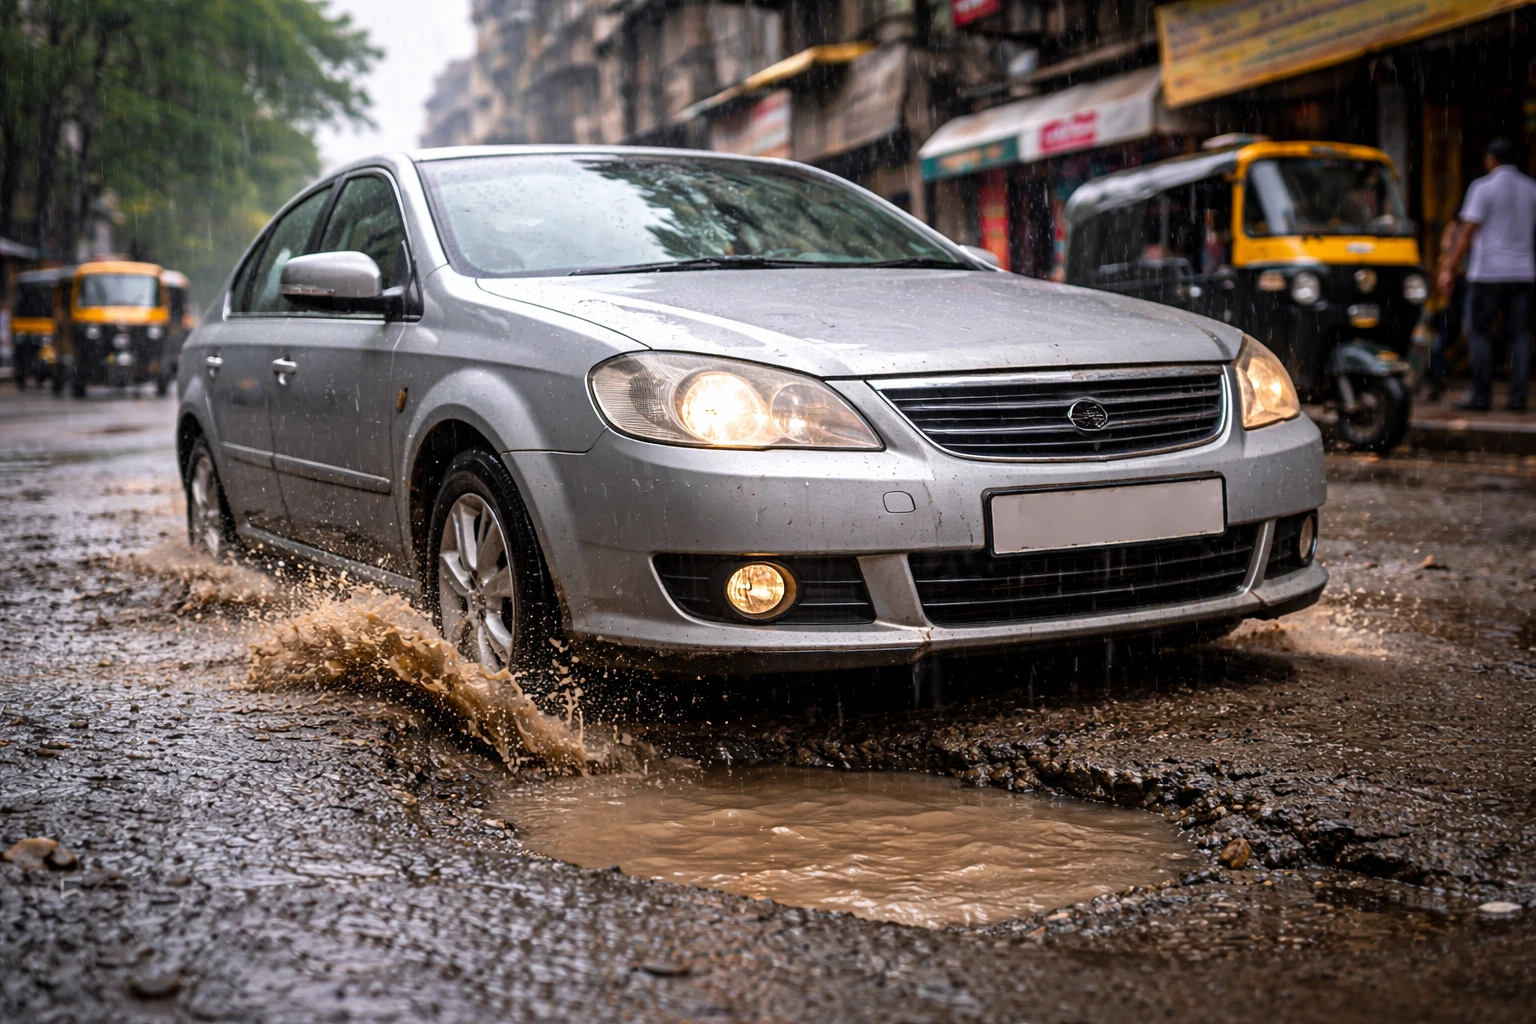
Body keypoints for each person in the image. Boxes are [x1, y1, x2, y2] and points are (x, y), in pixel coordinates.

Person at [1438, 137, 1536, 411]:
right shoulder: (1531, 189)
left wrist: (1449, 268)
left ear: (1491, 160)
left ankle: (1481, 396)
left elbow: (1467, 232)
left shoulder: (1482, 188)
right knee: (1519, 334)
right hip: (1524, 274)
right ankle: (1518, 399)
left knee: (1479, 333)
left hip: (1487, 274)